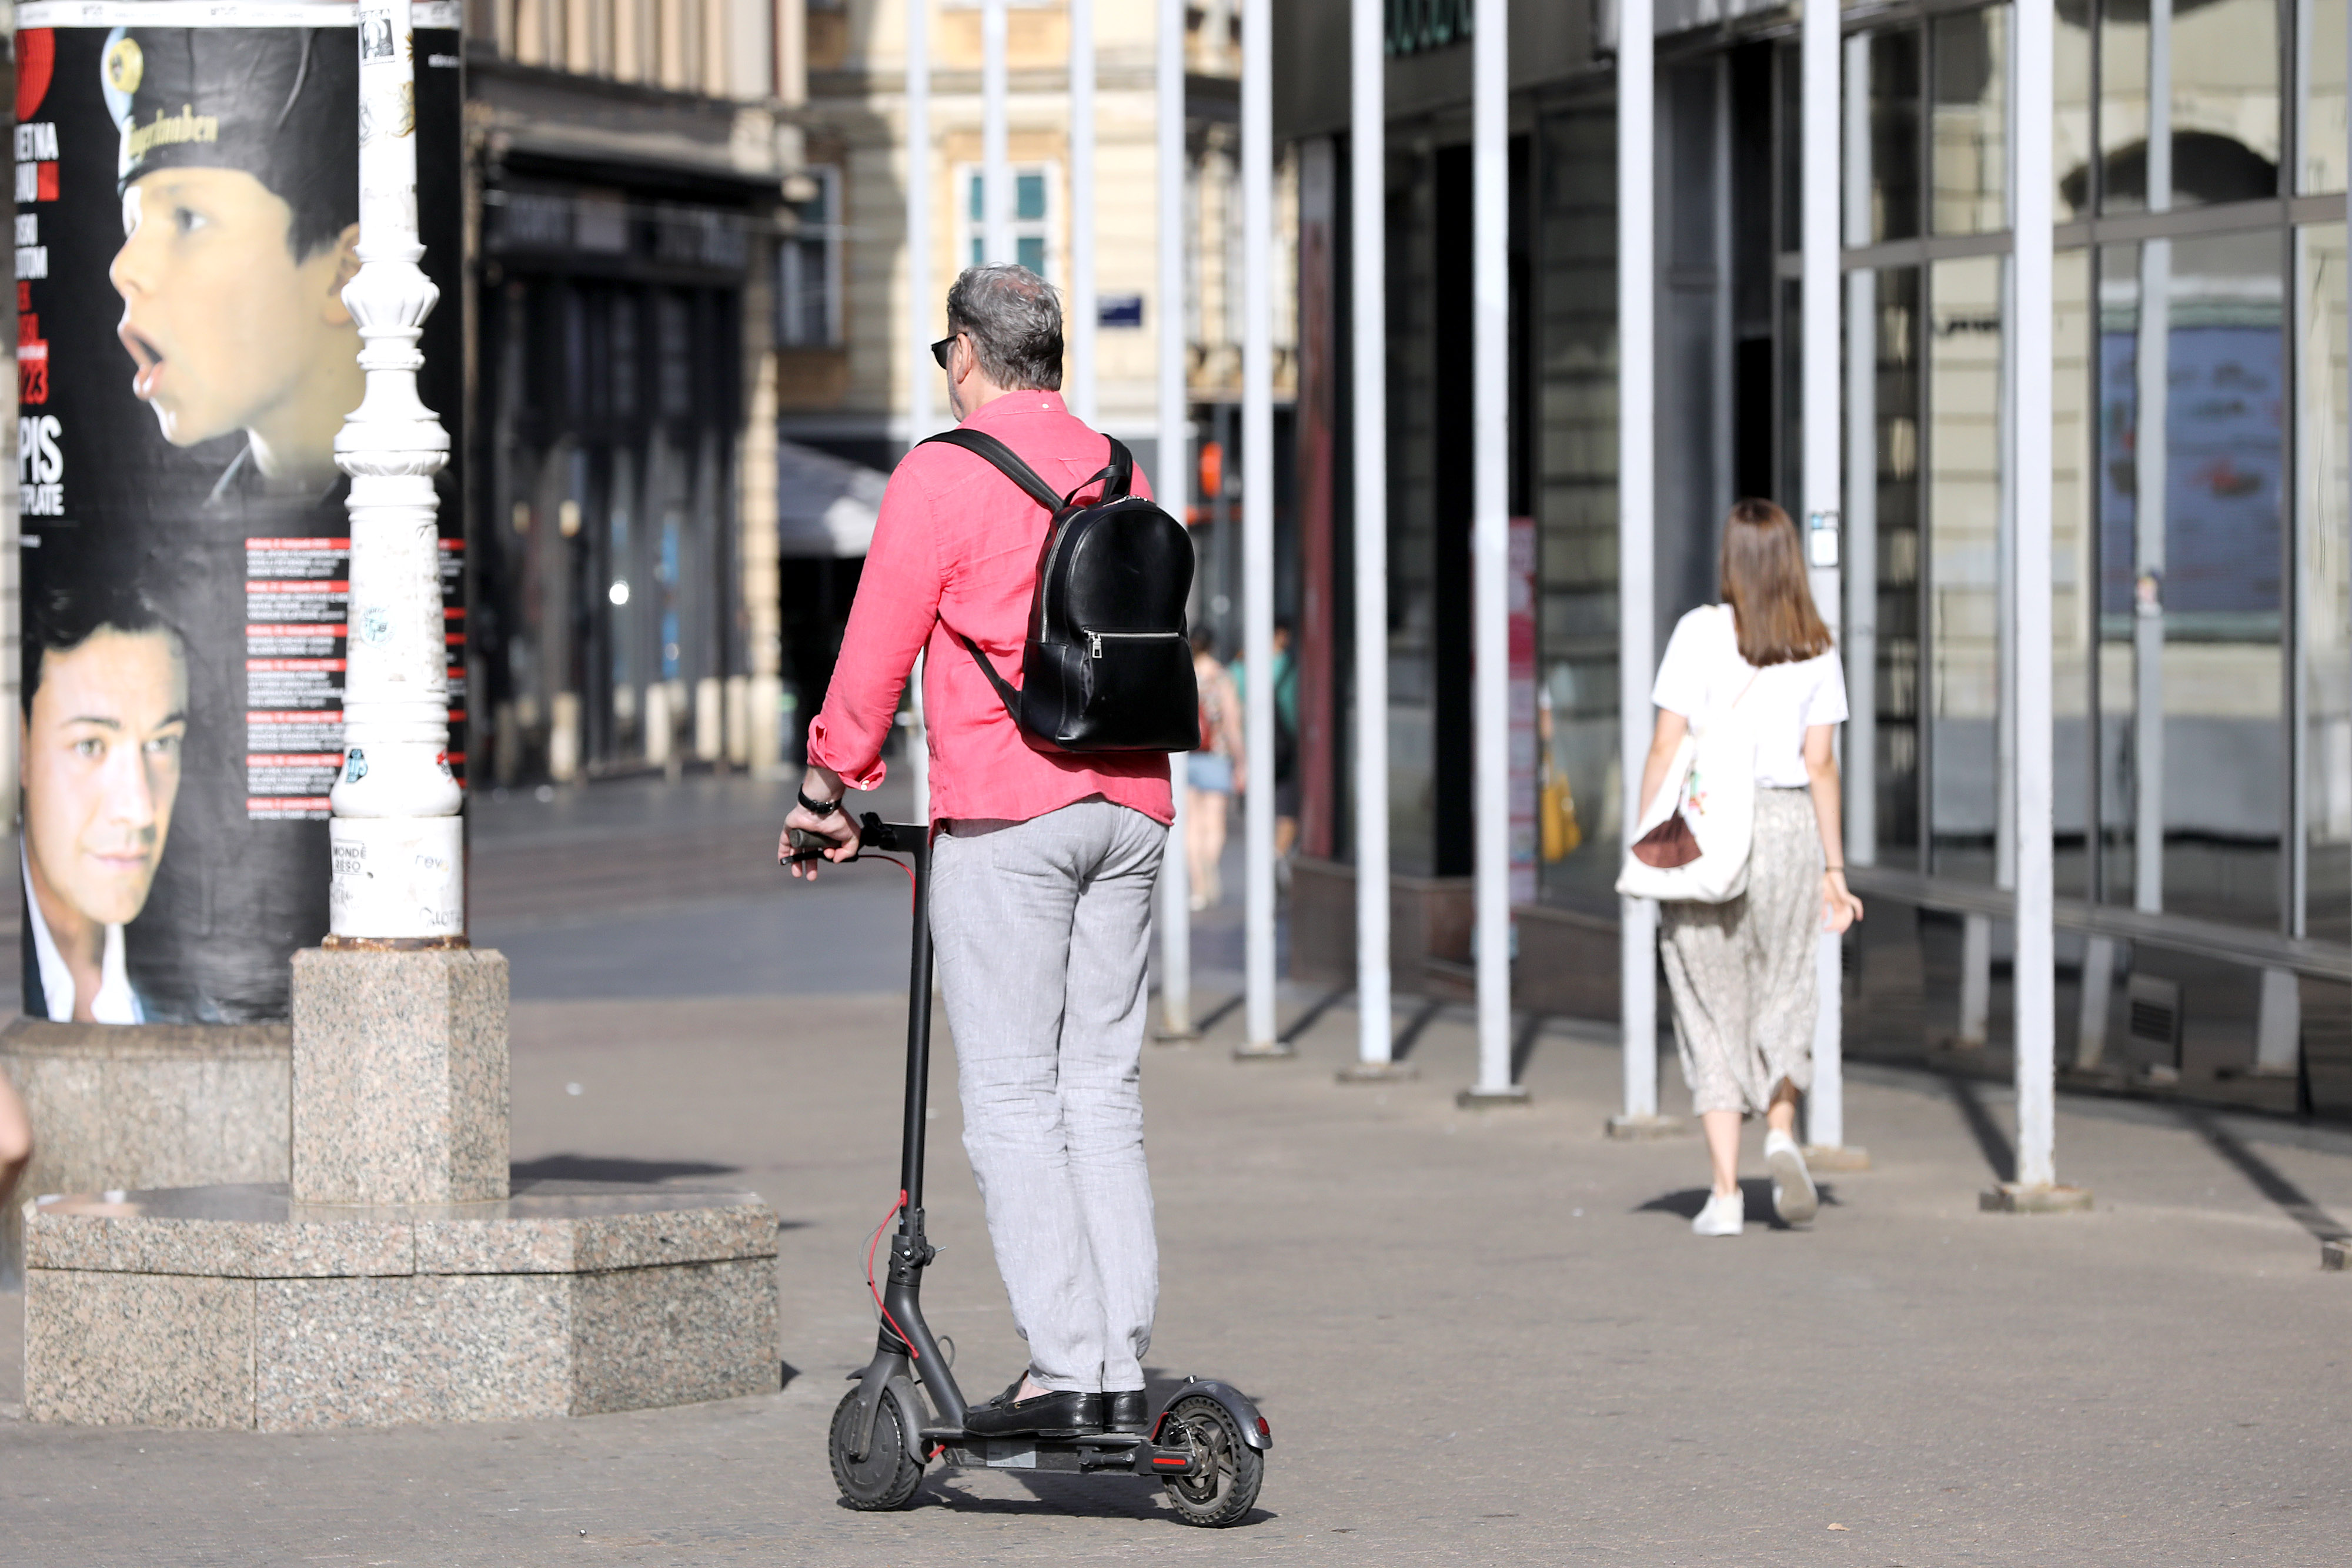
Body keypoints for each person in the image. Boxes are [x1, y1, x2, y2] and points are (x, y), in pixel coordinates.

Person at [781, 265, 1172, 1439]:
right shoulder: (1120, 466)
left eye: (941, 352)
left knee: (1009, 1097)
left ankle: (1067, 1363)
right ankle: (1119, 1350)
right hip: (1132, 802)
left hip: (1010, 812)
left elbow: (873, 655)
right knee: (1101, 1088)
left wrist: (827, 791)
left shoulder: (942, 475)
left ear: (966, 353)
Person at [1638, 499, 1863, 1238]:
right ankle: (1780, 1128)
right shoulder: (1816, 644)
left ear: (1729, 559)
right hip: (1791, 826)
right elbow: (1821, 764)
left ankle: (1726, 1195)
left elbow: (1667, 745)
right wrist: (1834, 866)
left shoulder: (1697, 634)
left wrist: (1648, 840)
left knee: (1708, 1001)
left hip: (1710, 825)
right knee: (1787, 983)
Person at [103, 26, 362, 503]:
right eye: (132, 226)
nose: (125, 268)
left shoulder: (418, 509)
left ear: (344, 273)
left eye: (188, 218)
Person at [20, 581, 190, 1024]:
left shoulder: (187, 990)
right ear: (22, 745)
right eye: (90, 745)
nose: (139, 809)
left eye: (160, 743)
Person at [1230, 619, 1300, 868]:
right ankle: (1276, 857)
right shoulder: (1289, 665)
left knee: (1258, 810)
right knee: (1288, 809)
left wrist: (1237, 757)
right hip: (1286, 747)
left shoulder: (1239, 667)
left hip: (1251, 750)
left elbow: (1231, 716)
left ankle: (1265, 859)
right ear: (1280, 636)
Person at [1186, 630, 1244, 911]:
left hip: (1185, 755)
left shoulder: (1182, 674)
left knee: (1191, 825)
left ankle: (1198, 885)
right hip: (1217, 756)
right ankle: (1210, 867)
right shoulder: (1221, 677)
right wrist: (1242, 761)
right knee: (1215, 822)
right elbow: (1232, 723)